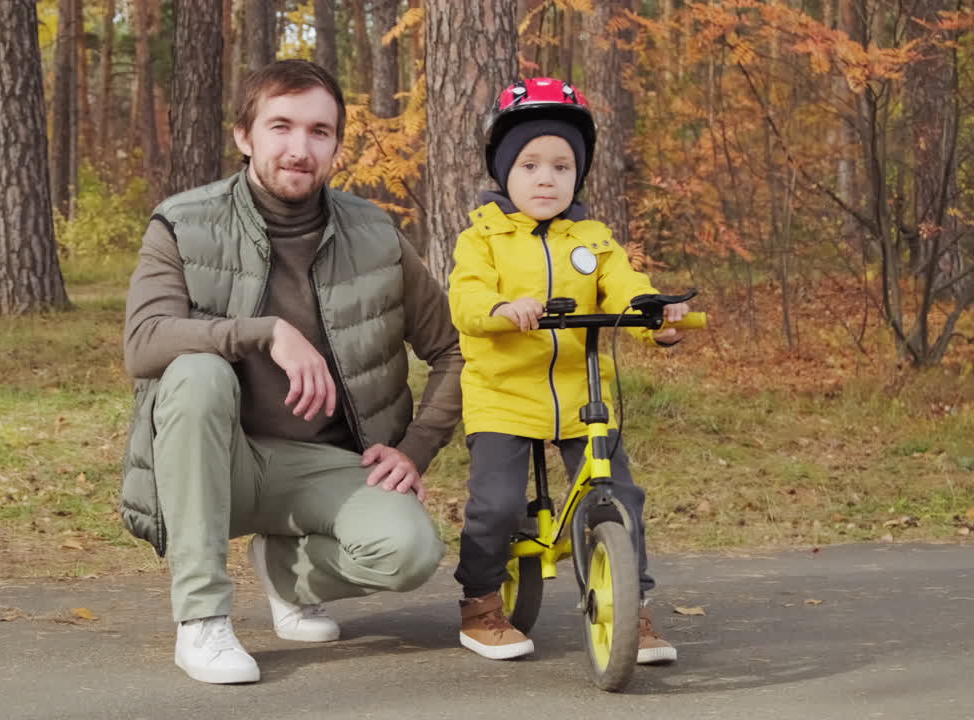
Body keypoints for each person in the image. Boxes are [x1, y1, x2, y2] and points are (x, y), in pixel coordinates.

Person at [120, 59, 463, 685]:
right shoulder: (183, 223)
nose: (299, 149)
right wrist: (267, 332)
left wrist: (416, 448)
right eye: (281, 127)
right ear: (245, 136)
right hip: (218, 464)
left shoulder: (377, 235)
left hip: (328, 467)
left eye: (319, 131)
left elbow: (453, 350)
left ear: (336, 143)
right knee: (196, 373)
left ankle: (285, 570)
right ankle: (201, 621)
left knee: (410, 551)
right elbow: (143, 343)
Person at [447, 77, 688, 664]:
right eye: (529, 164)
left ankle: (631, 607)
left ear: (578, 174)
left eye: (561, 165)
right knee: (498, 505)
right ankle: (480, 602)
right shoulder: (482, 239)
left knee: (621, 497)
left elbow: (625, 285)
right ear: (504, 173)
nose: (546, 178)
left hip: (583, 396)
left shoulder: (594, 238)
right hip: (503, 395)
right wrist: (503, 310)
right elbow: (466, 299)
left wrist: (654, 311)